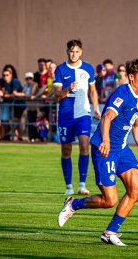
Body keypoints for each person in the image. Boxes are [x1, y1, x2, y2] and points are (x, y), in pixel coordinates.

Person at [57, 58, 138, 246]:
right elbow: (106, 117)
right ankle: (73, 204)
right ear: (132, 77)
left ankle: (110, 232)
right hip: (105, 149)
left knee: (136, 190)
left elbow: (137, 127)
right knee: (110, 200)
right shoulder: (122, 93)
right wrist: (106, 141)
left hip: (123, 150)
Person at [53, 39, 101, 195]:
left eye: (76, 51)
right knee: (66, 150)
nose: (74, 54)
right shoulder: (60, 70)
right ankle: (68, 187)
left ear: (81, 52)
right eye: (71, 51)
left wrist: (96, 108)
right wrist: (68, 88)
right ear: (67, 51)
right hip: (65, 115)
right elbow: (57, 96)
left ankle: (82, 184)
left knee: (84, 145)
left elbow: (92, 91)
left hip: (83, 114)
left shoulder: (88, 68)